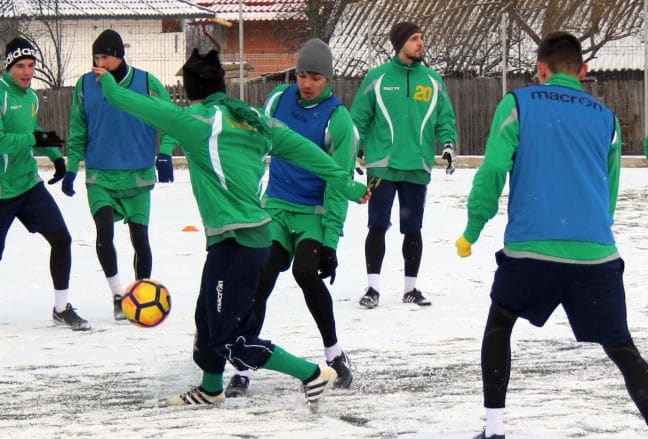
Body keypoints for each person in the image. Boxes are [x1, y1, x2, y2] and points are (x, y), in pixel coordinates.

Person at [95, 48, 369, 409]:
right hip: (239, 239)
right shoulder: (254, 119)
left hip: (241, 241)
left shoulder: (196, 123)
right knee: (206, 320)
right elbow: (309, 153)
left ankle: (312, 375)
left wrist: (111, 88)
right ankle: (211, 389)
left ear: (192, 91)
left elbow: (147, 109)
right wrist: (348, 184)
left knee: (231, 337)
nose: (306, 82)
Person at [458, 31, 648, 439]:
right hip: (595, 255)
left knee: (499, 326)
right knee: (621, 347)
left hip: (531, 253)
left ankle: (494, 430)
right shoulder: (606, 118)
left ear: (541, 69)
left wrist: (473, 228)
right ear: (582, 71)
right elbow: (608, 190)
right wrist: (592, 231)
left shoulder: (518, 104)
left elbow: (492, 173)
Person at [225, 39, 358, 397]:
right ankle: (242, 365)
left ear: (327, 78)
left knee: (305, 273)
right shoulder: (277, 101)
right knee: (261, 276)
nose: (307, 83)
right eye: (301, 75)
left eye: (315, 76)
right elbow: (251, 142)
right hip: (277, 208)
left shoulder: (338, 119)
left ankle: (335, 355)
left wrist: (330, 242)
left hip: (314, 213)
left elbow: (340, 182)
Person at [0, 36, 89, 331]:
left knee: (61, 239)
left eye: (31, 65)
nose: (27, 72)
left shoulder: (30, 96)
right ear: (8, 67)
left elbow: (32, 130)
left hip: (28, 184)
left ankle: (61, 307)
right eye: (21, 65)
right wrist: (32, 140)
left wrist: (56, 156)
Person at [62, 29, 178, 320]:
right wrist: (72, 167)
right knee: (104, 232)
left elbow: (174, 119)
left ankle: (141, 292)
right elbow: (78, 130)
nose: (99, 63)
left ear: (119, 56)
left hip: (138, 174)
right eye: (96, 57)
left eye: (105, 57)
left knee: (140, 238)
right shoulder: (86, 85)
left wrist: (165, 152)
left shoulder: (146, 82)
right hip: (100, 175)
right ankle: (117, 295)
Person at [350, 21, 458, 309]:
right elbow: (357, 119)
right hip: (382, 166)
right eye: (414, 39)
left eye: (422, 38)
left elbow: (445, 118)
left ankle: (411, 289)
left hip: (417, 166)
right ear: (399, 44)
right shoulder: (377, 78)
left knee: (413, 229)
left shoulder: (434, 80)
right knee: (377, 226)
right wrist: (351, 151)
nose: (421, 43)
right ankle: (372, 288)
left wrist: (448, 143)